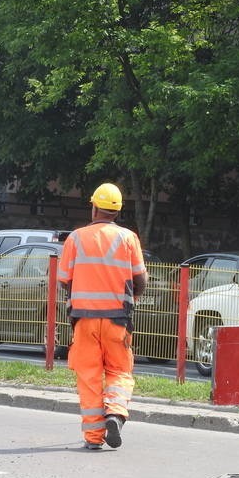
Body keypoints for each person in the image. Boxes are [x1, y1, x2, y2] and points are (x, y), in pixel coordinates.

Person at [58, 183, 148, 450]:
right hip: (117, 320)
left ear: (94, 206)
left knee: (89, 376)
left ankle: (94, 438)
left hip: (84, 320)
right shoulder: (129, 238)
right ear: (117, 212)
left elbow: (64, 280)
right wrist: (133, 298)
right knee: (120, 371)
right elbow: (140, 279)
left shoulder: (75, 238)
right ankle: (115, 413)